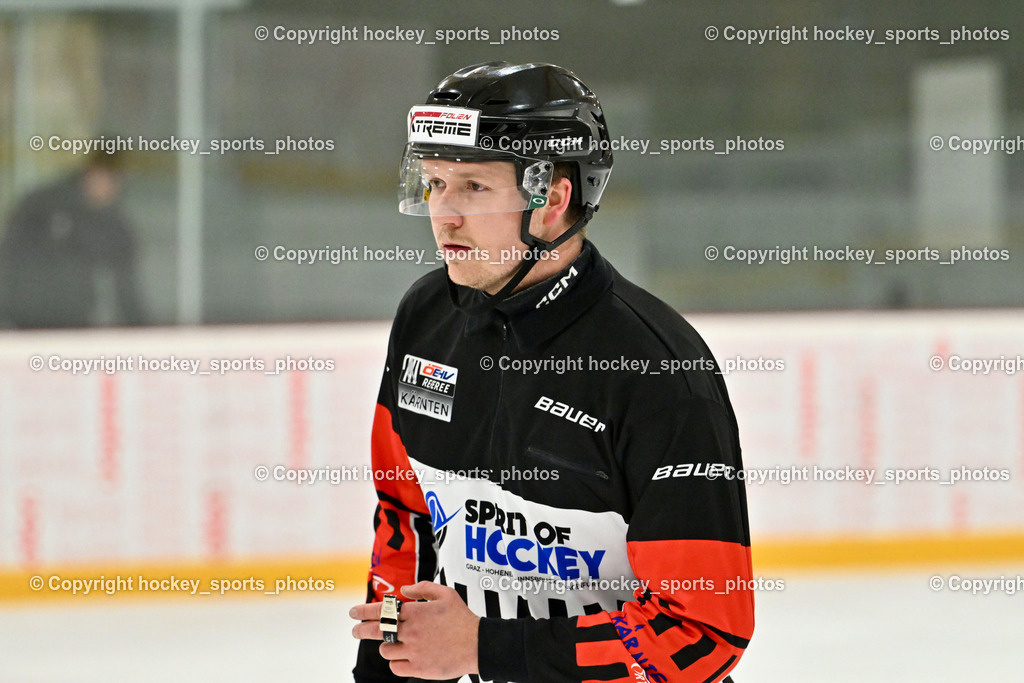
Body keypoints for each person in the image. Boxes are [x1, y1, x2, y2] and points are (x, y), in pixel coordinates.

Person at [351, 61, 753, 683]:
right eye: (434, 184)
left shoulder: (657, 368)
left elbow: (703, 634)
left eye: (474, 188)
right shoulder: (427, 316)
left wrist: (487, 649)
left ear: (553, 200)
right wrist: (384, 669)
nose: (444, 216)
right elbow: (403, 514)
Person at [0, 150, 144, 328]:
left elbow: (126, 290)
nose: (107, 186)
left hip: (75, 325)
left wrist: (144, 333)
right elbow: (10, 259)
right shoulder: (41, 208)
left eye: (114, 179)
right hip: (26, 323)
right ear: (88, 172)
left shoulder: (113, 226)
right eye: (102, 176)